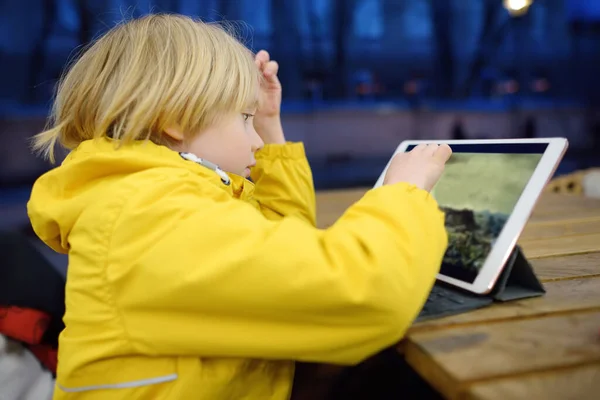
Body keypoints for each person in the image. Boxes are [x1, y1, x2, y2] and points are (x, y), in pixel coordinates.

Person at [27, 14, 452, 400]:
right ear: (175, 118)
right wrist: (405, 193)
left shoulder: (147, 195)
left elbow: (279, 259)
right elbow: (360, 296)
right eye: (245, 119)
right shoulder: (148, 213)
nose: (255, 141)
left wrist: (269, 124)